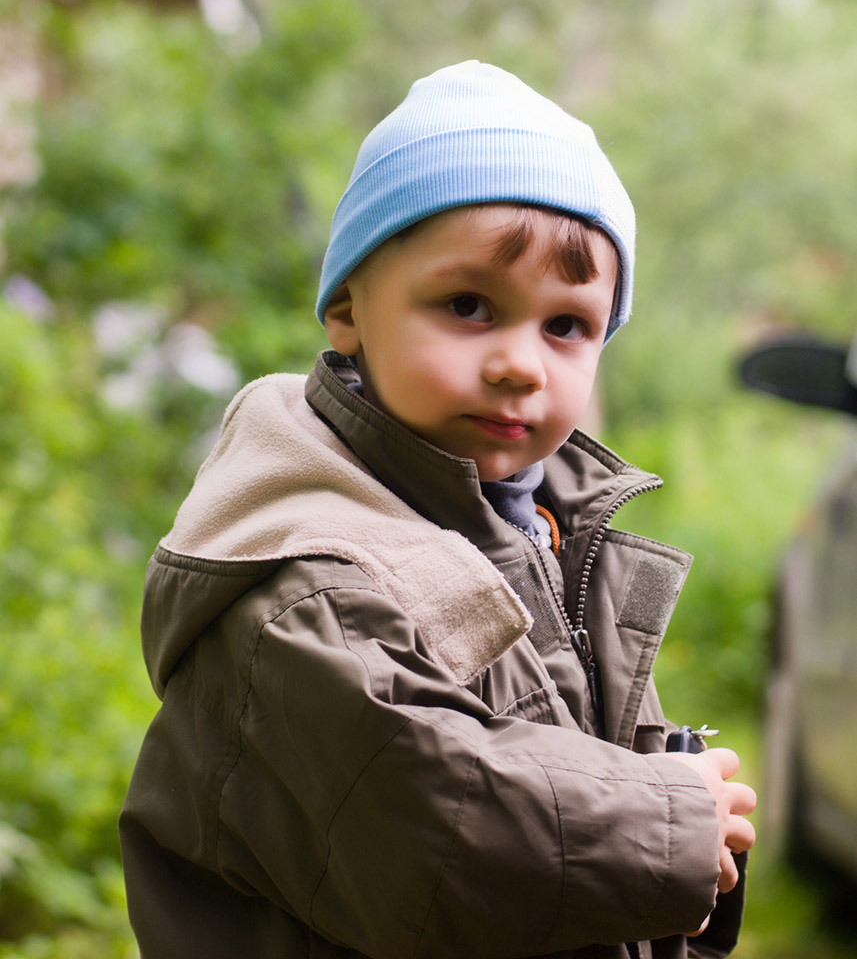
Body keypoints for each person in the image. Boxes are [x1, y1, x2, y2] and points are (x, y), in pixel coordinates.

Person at [120, 60, 755, 959]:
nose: (519, 364)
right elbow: (434, 833)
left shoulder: (550, 534)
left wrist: (693, 835)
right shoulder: (308, 576)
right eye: (468, 305)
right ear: (347, 308)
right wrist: (671, 824)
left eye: (566, 325)